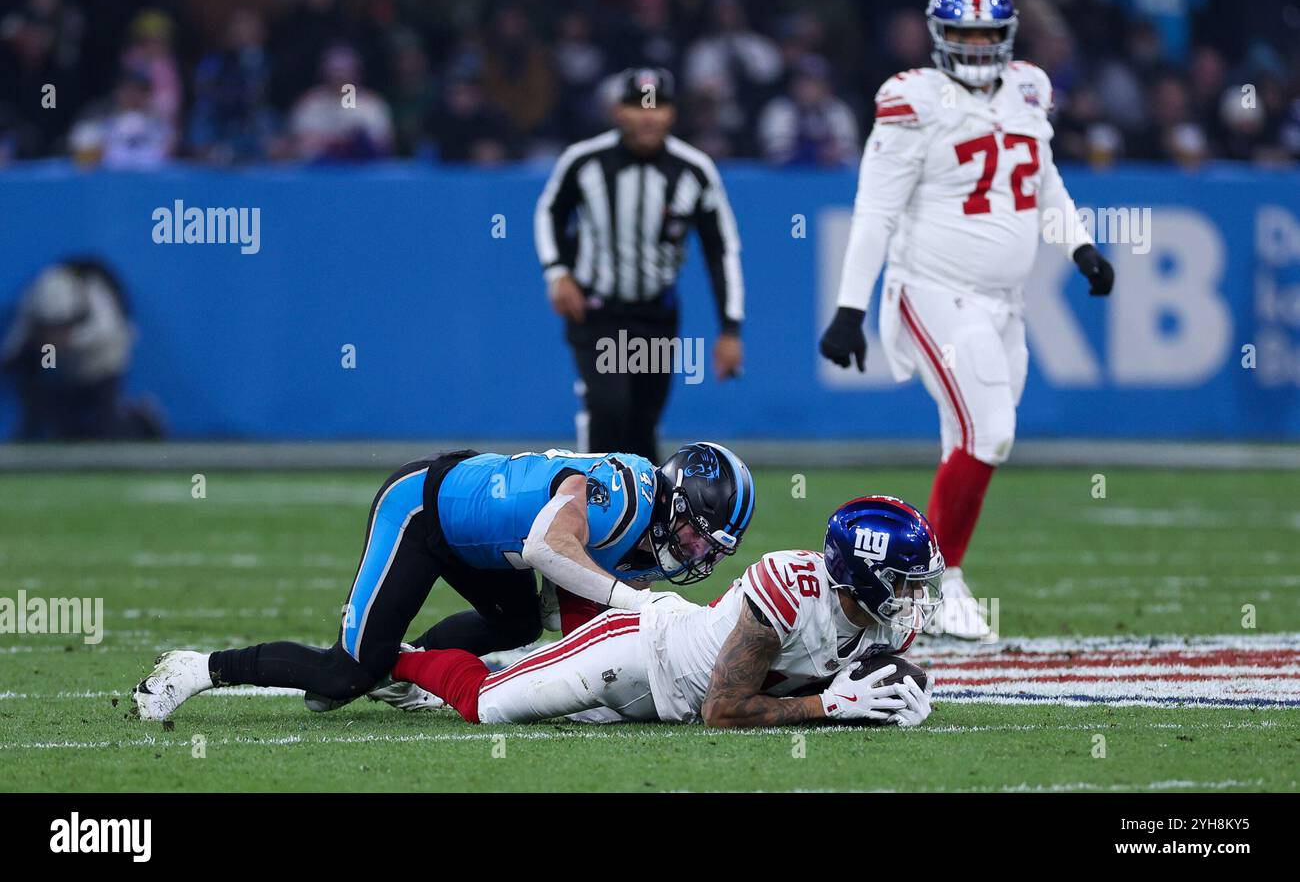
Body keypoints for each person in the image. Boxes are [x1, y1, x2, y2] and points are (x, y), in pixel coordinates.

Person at [817, 0, 1115, 640]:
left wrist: (1080, 246)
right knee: (990, 430)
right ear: (940, 38)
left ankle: (917, 589)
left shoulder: (1030, 87)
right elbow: (875, 208)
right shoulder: (911, 98)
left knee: (970, 438)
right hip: (931, 290)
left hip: (1004, 303)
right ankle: (937, 580)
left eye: (988, 35)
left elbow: (1042, 179)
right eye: (965, 34)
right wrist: (849, 307)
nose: (978, 47)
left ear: (1006, 37)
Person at [130, 442, 755, 721]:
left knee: (515, 622)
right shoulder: (622, 496)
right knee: (345, 674)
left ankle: (405, 667)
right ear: (674, 499)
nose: (697, 552)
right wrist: (633, 602)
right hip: (427, 509)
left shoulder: (647, 536)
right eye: (698, 534)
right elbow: (547, 544)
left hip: (490, 549)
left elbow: (583, 629)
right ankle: (198, 668)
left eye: (711, 549)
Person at [390, 496, 940, 728]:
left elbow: (858, 680)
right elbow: (723, 711)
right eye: (904, 581)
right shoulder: (790, 587)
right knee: (485, 704)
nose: (913, 598)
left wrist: (903, 697)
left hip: (659, 703)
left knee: (530, 680)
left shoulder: (890, 621)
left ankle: (514, 658)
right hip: (634, 652)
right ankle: (396, 662)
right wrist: (827, 706)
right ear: (863, 572)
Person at [535, 67, 745, 464]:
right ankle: (591, 503)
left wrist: (730, 328)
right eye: (637, 105)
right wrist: (557, 271)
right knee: (608, 407)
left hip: (655, 314)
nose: (648, 115)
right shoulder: (585, 161)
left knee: (642, 422)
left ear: (672, 114)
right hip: (598, 311)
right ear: (618, 112)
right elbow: (549, 211)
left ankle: (645, 518)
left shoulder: (694, 170)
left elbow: (721, 249)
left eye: (658, 105)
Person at [2, 259, 162, 440]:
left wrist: (71, 340)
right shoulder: (33, 300)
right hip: (63, 368)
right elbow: (16, 342)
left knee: (108, 429)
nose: (56, 331)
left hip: (102, 362)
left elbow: (111, 332)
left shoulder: (93, 291)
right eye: (51, 327)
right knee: (64, 428)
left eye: (62, 325)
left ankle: (142, 418)